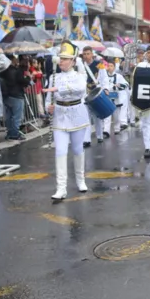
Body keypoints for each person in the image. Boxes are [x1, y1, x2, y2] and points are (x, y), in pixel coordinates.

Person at [43, 41, 90, 200]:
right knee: (60, 151)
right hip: (60, 116)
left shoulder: (79, 76)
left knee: (77, 149)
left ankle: (80, 180)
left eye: (65, 58)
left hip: (77, 115)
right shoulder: (53, 77)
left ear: (73, 61)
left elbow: (80, 89)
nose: (62, 61)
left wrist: (58, 89)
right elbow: (48, 98)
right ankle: (61, 188)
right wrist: (47, 107)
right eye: (60, 58)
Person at [77, 46, 109, 146]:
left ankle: (99, 136)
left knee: (97, 116)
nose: (86, 56)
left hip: (96, 93)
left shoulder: (99, 64)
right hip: (85, 93)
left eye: (88, 53)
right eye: (84, 54)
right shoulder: (80, 65)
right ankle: (87, 140)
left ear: (92, 54)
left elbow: (104, 77)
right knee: (85, 117)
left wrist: (106, 88)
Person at [103, 58, 129, 136]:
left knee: (116, 115)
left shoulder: (119, 76)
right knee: (107, 115)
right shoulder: (103, 76)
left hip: (116, 97)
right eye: (109, 66)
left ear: (114, 67)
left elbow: (126, 84)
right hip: (107, 97)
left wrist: (119, 85)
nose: (110, 67)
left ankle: (117, 128)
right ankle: (106, 130)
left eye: (111, 66)